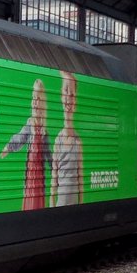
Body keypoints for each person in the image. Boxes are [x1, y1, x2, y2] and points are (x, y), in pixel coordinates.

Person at [1, 78, 49, 210]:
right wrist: (8, 148)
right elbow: (20, 138)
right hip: (31, 174)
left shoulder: (44, 130)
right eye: (33, 98)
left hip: (40, 176)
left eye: (38, 99)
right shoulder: (30, 123)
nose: (35, 102)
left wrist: (55, 166)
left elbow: (49, 154)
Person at [51, 71, 83, 206]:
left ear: (75, 101)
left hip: (74, 203)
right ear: (61, 96)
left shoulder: (78, 142)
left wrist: (82, 205)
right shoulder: (58, 141)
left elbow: (80, 178)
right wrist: (51, 205)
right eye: (66, 91)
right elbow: (54, 178)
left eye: (72, 95)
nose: (69, 99)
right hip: (61, 203)